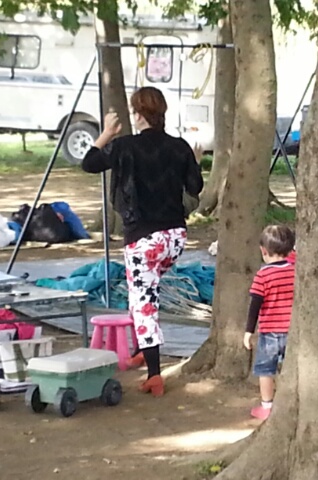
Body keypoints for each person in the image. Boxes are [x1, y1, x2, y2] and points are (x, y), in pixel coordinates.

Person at [82, 87, 203, 397]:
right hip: (174, 238)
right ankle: (141, 349)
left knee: (143, 301)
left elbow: (89, 162)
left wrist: (106, 133)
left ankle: (154, 374)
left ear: (138, 114)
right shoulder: (179, 147)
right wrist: (195, 161)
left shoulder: (124, 146)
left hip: (143, 239)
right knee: (146, 290)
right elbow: (195, 186)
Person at [243, 225, 296, 420]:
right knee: (292, 368)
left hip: (270, 332)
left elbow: (255, 305)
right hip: (292, 331)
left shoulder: (263, 275)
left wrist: (248, 332)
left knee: (265, 370)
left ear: (263, 250)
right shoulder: (296, 272)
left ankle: (267, 406)